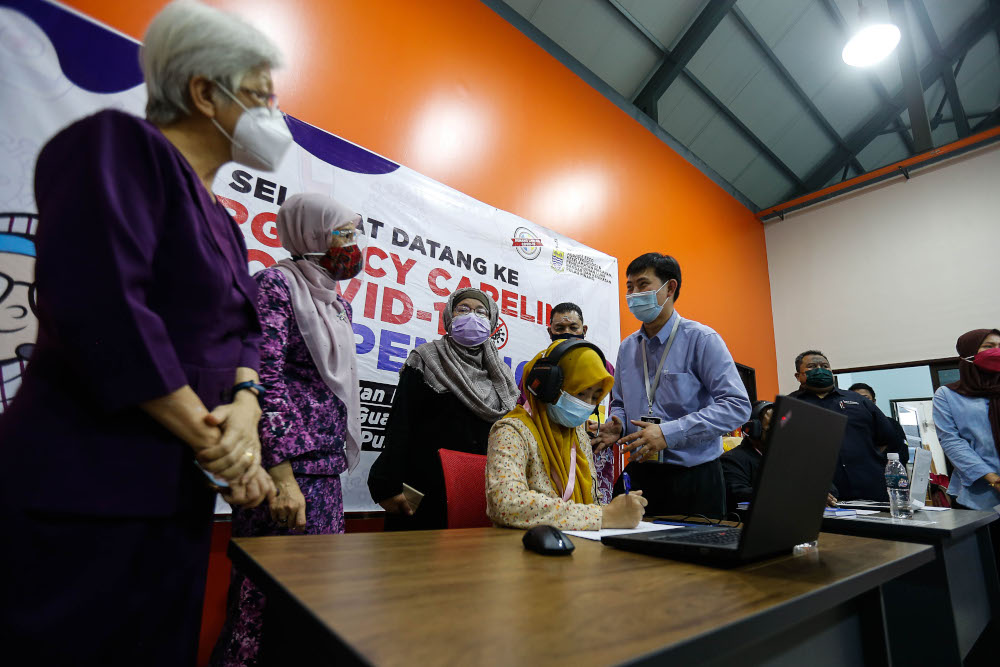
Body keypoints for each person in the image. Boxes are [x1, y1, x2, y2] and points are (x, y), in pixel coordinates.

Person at [0, 1, 287, 664]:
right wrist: (220, 446)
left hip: (175, 499)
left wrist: (246, 411)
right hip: (82, 493)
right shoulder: (116, 145)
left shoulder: (227, 222)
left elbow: (247, 334)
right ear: (203, 92)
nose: (275, 117)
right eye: (261, 97)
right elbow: (103, 307)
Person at [211, 194, 365, 665]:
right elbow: (264, 381)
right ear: (311, 234)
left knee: (312, 601)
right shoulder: (276, 285)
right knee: (260, 602)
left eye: (355, 234)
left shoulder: (336, 305)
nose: (353, 245)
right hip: (286, 474)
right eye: (343, 233)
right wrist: (281, 479)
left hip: (324, 473)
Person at [592, 253, 751, 519]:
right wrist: (617, 423)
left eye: (643, 285)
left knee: (694, 558)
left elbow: (736, 406)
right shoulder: (628, 347)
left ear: (670, 288)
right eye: (629, 287)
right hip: (642, 475)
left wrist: (669, 433)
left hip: (695, 477)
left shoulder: (702, 340)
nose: (633, 294)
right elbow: (619, 402)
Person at [368, 287, 519, 530]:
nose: (472, 316)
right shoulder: (425, 358)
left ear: (492, 322)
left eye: (481, 312)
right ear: (449, 316)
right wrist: (388, 484)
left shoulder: (502, 375)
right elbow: (400, 424)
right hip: (424, 487)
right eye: (463, 309)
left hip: (479, 489)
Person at [487, 339, 647, 529]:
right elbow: (506, 503)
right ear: (548, 387)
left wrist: (619, 510)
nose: (587, 403)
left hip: (577, 544)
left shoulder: (578, 434)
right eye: (581, 393)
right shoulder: (511, 432)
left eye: (595, 397)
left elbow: (590, 503)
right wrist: (603, 516)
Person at [517, 301, 618, 503]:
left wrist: (608, 427)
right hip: (552, 445)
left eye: (573, 327)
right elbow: (525, 407)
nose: (567, 332)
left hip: (595, 446)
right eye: (560, 328)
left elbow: (618, 406)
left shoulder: (604, 366)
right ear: (550, 331)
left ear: (584, 329)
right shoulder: (539, 367)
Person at [789, 350, 905, 501]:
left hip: (872, 489)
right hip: (824, 495)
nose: (820, 369)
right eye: (812, 366)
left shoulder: (858, 400)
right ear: (798, 376)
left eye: (825, 366)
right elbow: (786, 453)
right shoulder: (790, 406)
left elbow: (885, 438)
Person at [722, 400, 839, 510]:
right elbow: (738, 494)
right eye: (771, 429)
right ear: (752, 431)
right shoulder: (733, 460)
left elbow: (830, 488)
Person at [933, 329, 1000, 510]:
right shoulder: (947, 395)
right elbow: (951, 441)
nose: (997, 351)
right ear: (968, 354)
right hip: (977, 493)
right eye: (988, 346)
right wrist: (993, 479)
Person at [849, 382, 907, 451]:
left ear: (874, 401)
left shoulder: (891, 424)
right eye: (854, 399)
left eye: (865, 399)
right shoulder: (845, 425)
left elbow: (903, 454)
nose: (860, 402)